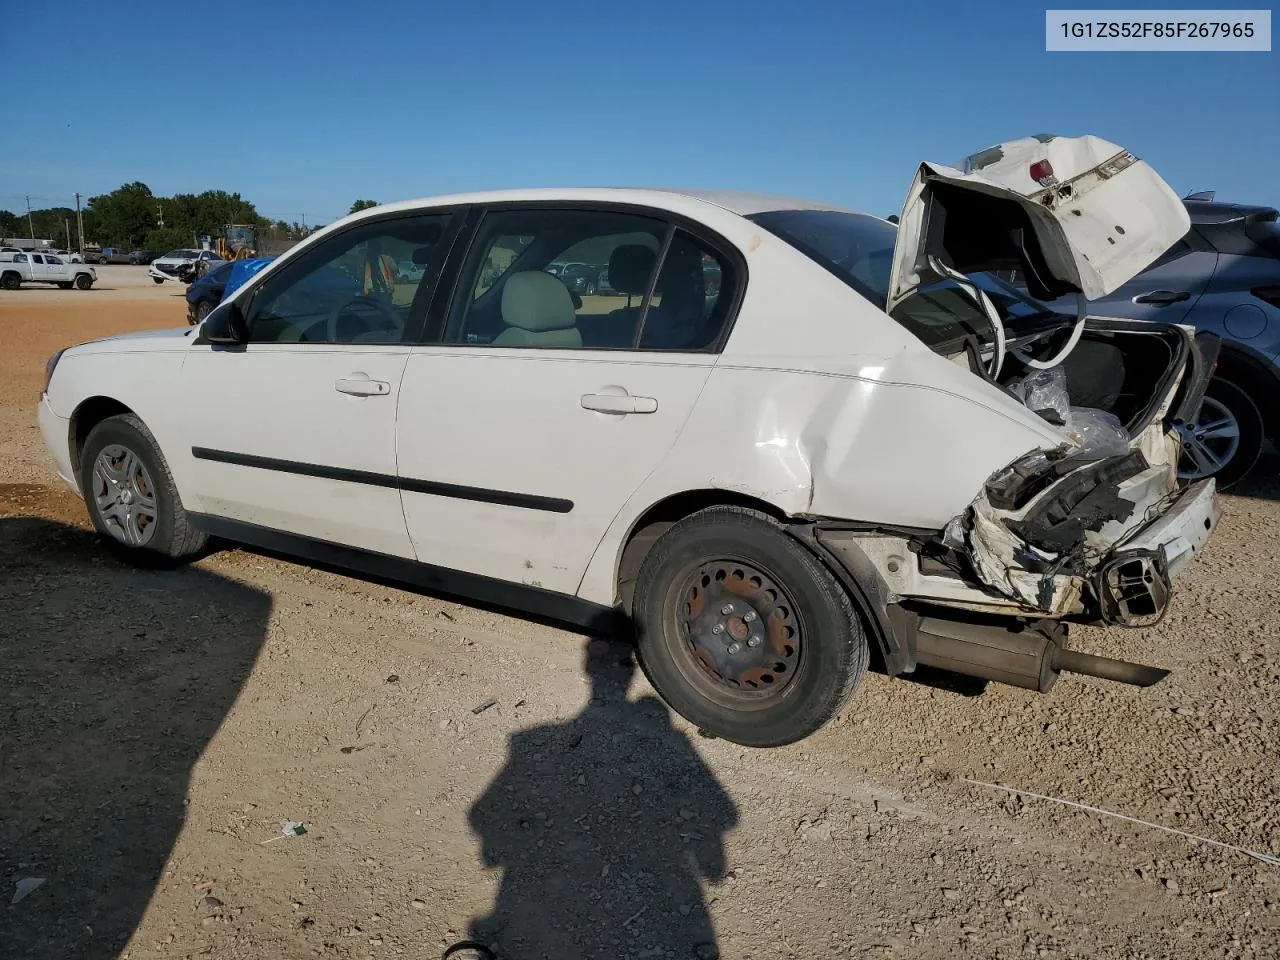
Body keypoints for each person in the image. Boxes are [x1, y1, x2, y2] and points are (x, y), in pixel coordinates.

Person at [463, 638, 739, 959]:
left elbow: (480, 815)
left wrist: (498, 848)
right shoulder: (672, 742)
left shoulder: (531, 742)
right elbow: (726, 815)